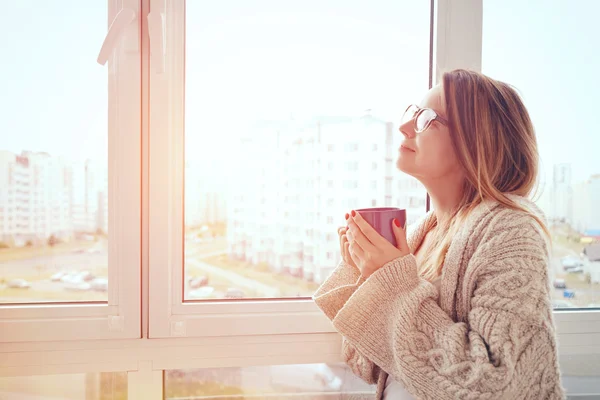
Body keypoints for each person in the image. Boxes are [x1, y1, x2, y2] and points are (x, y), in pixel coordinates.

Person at [313, 69, 565, 399]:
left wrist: (391, 283)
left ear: (477, 142)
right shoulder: (421, 233)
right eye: (412, 113)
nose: (404, 127)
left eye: (426, 119)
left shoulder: (512, 232)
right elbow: (370, 367)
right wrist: (367, 277)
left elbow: (498, 385)